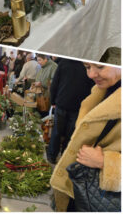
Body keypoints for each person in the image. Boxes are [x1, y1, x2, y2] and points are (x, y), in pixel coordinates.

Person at [49, 63, 120, 211]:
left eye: (100, 67)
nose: (91, 74)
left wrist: (106, 162)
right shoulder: (102, 89)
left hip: (101, 196)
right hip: (81, 187)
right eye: (87, 67)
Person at [46, 58, 95, 164]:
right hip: (78, 106)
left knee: (57, 132)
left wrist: (53, 101)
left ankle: (51, 155)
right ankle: (64, 158)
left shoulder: (64, 63)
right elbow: (92, 88)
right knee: (70, 134)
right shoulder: (88, 65)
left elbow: (55, 83)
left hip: (62, 102)